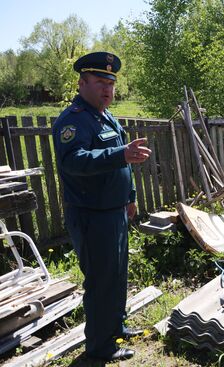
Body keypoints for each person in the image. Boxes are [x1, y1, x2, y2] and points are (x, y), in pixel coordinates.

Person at [53, 52, 151, 362]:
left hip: (115, 211)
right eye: (99, 82)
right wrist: (120, 154)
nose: (107, 89)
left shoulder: (107, 117)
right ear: (82, 83)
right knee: (100, 281)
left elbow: (126, 165)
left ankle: (116, 327)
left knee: (117, 274)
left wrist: (131, 195)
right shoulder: (73, 120)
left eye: (110, 83)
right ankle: (99, 346)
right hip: (91, 216)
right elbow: (73, 162)